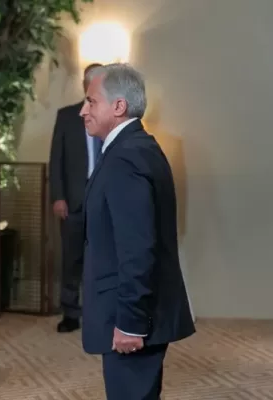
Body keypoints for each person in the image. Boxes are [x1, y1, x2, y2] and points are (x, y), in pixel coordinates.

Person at [79, 63, 195, 399]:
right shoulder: (136, 147)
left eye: (91, 101)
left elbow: (137, 247)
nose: (83, 111)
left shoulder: (125, 158)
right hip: (135, 312)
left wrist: (130, 322)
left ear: (118, 106)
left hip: (131, 317)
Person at [48, 62, 102, 333]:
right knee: (71, 258)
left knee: (103, 258)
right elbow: (56, 160)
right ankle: (70, 313)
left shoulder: (114, 116)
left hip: (105, 200)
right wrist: (58, 197)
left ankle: (100, 312)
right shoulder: (67, 116)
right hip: (74, 200)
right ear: (85, 85)